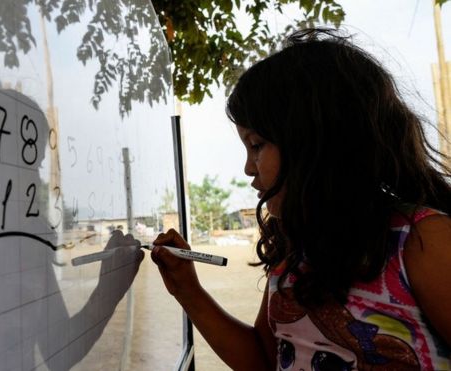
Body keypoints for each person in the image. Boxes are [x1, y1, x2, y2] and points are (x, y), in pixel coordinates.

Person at [150, 28, 451, 370]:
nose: (248, 167)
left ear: (316, 141)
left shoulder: (422, 242)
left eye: (257, 145)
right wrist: (188, 290)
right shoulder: (294, 252)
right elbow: (264, 360)